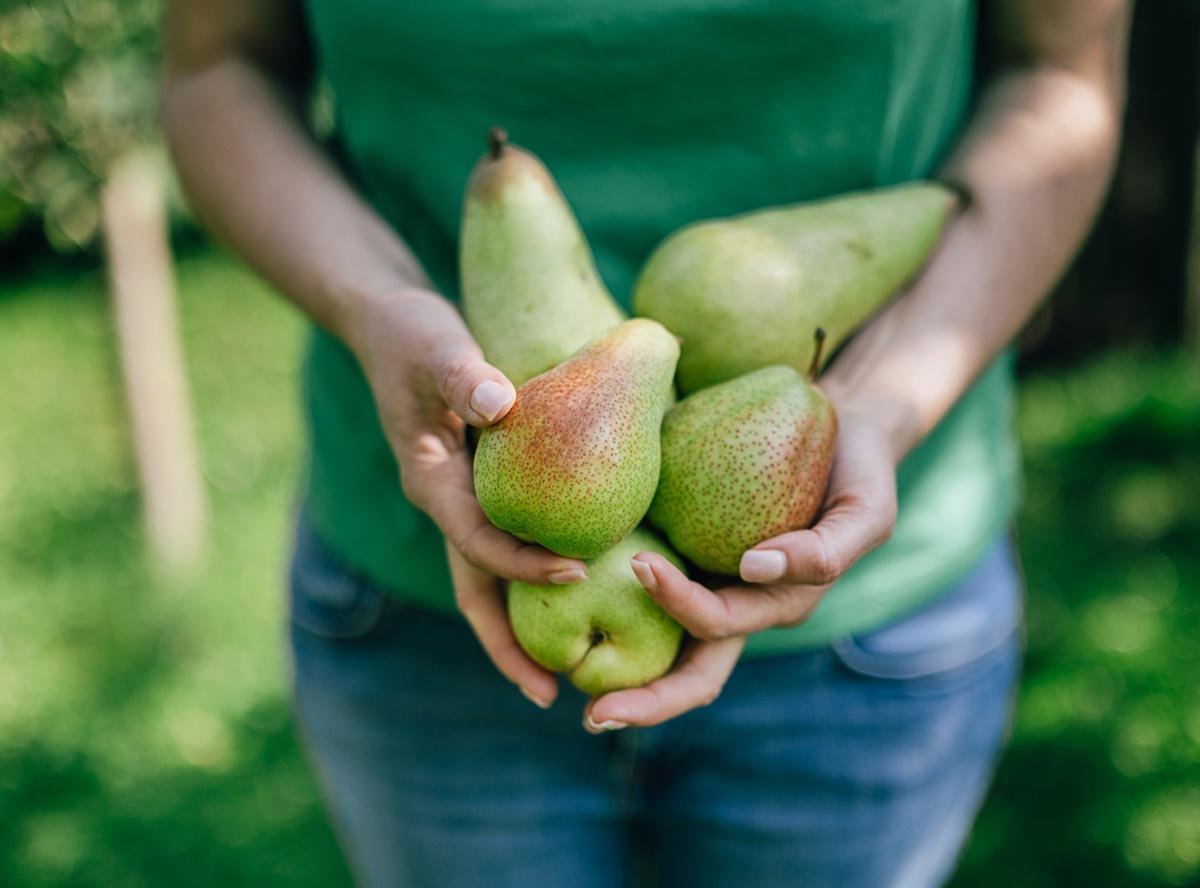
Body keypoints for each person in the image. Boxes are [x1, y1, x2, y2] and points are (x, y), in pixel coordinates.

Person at [162, 1, 1130, 885]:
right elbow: (216, 71)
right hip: (417, 593)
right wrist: (374, 307)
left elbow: (1062, 76)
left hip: (870, 625)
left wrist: (882, 399)